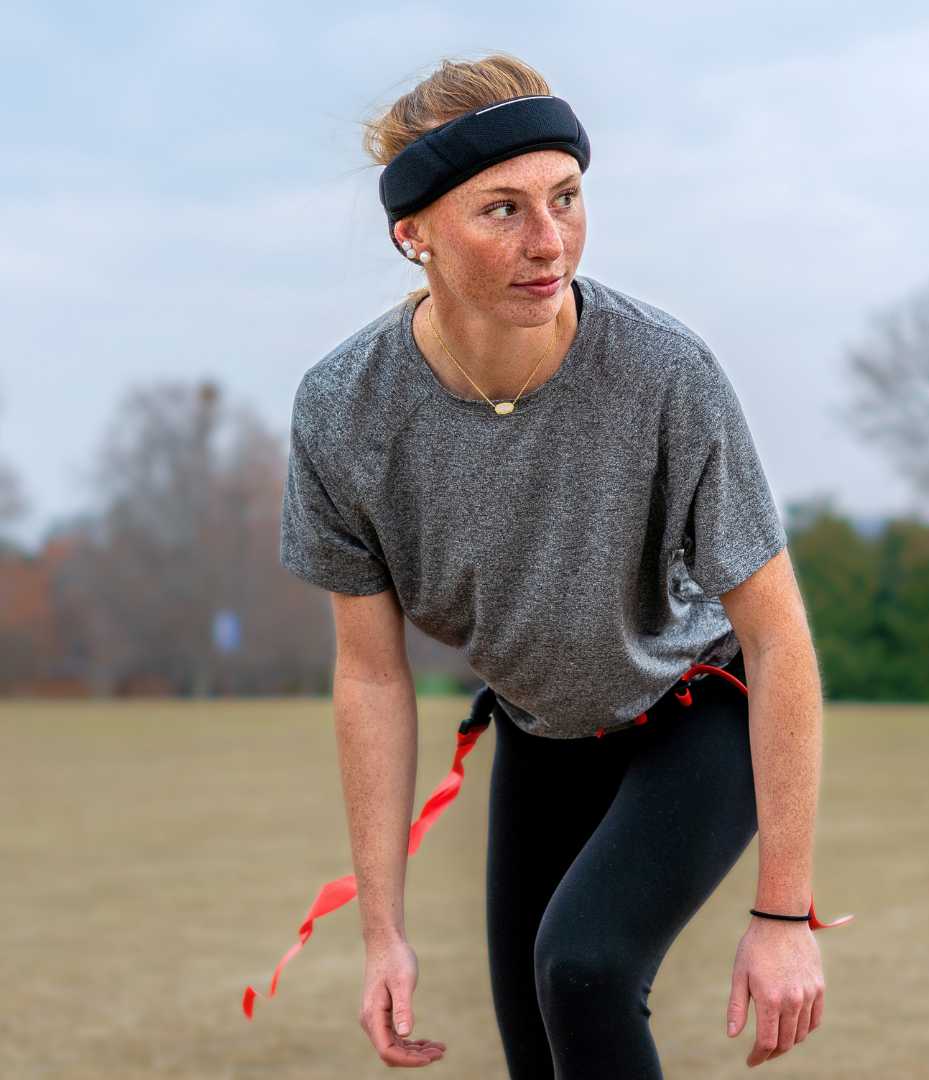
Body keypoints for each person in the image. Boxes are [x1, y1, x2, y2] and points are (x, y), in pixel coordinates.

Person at [281, 54, 827, 1078]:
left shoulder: (665, 373)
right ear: (416, 234)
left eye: (566, 198)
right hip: (542, 725)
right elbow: (369, 671)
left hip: (698, 702)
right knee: (541, 1043)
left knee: (583, 966)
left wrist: (784, 909)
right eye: (501, 210)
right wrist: (383, 933)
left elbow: (776, 631)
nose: (549, 243)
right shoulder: (345, 410)